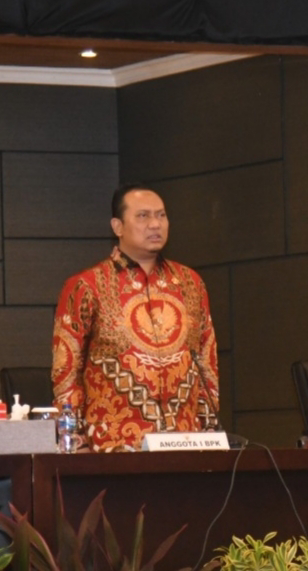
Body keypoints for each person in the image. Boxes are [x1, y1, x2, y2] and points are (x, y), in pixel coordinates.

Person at [51, 184, 220, 451]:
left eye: (161, 215)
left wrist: (210, 432)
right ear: (117, 227)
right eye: (143, 216)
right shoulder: (86, 286)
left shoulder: (191, 283)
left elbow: (206, 361)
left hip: (186, 446)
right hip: (113, 449)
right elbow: (66, 372)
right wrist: (76, 442)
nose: (155, 224)